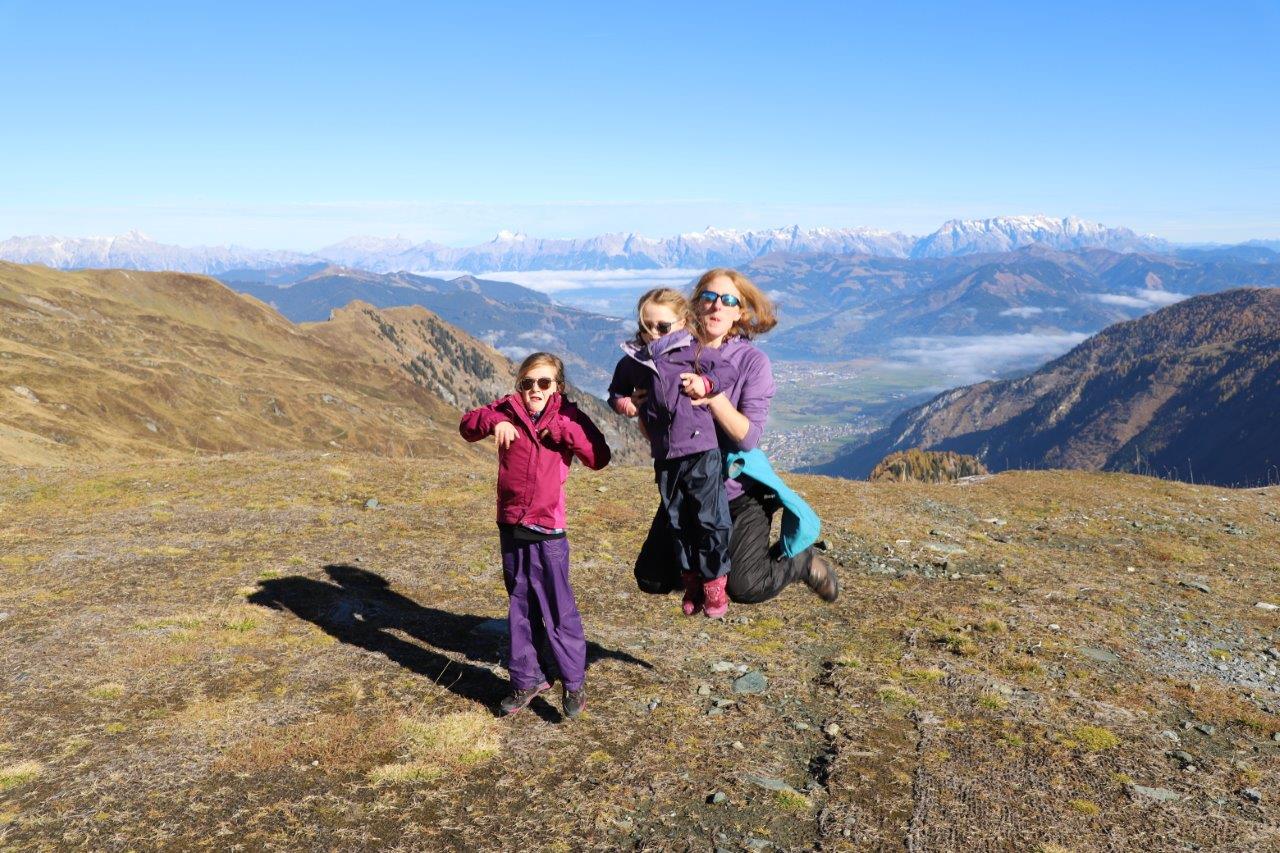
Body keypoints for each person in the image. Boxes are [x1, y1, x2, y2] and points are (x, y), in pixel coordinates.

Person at [629, 269, 839, 605]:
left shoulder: (752, 362)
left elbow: (747, 438)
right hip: (691, 486)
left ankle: (801, 562)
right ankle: (707, 567)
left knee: (745, 585)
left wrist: (713, 397)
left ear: (740, 312)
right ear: (694, 305)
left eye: (729, 301)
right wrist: (642, 409)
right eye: (709, 297)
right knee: (651, 577)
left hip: (738, 490)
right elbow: (659, 438)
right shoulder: (672, 354)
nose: (717, 306)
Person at [458, 352, 611, 718]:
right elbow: (467, 425)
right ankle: (527, 679)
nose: (535, 389)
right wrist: (496, 420)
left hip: (548, 529)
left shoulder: (569, 417)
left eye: (544, 382)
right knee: (521, 606)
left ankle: (573, 682)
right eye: (528, 383)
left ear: (558, 386)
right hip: (511, 524)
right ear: (520, 386)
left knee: (558, 609)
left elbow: (599, 456)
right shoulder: (507, 410)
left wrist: (563, 432)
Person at [608, 288, 737, 618]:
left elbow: (727, 372)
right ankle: (691, 580)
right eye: (646, 326)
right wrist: (624, 403)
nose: (653, 333)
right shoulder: (634, 361)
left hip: (700, 449)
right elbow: (615, 392)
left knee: (710, 518)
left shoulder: (695, 352)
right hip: (665, 455)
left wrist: (705, 385)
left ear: (682, 322)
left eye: (662, 327)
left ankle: (714, 582)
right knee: (677, 519)